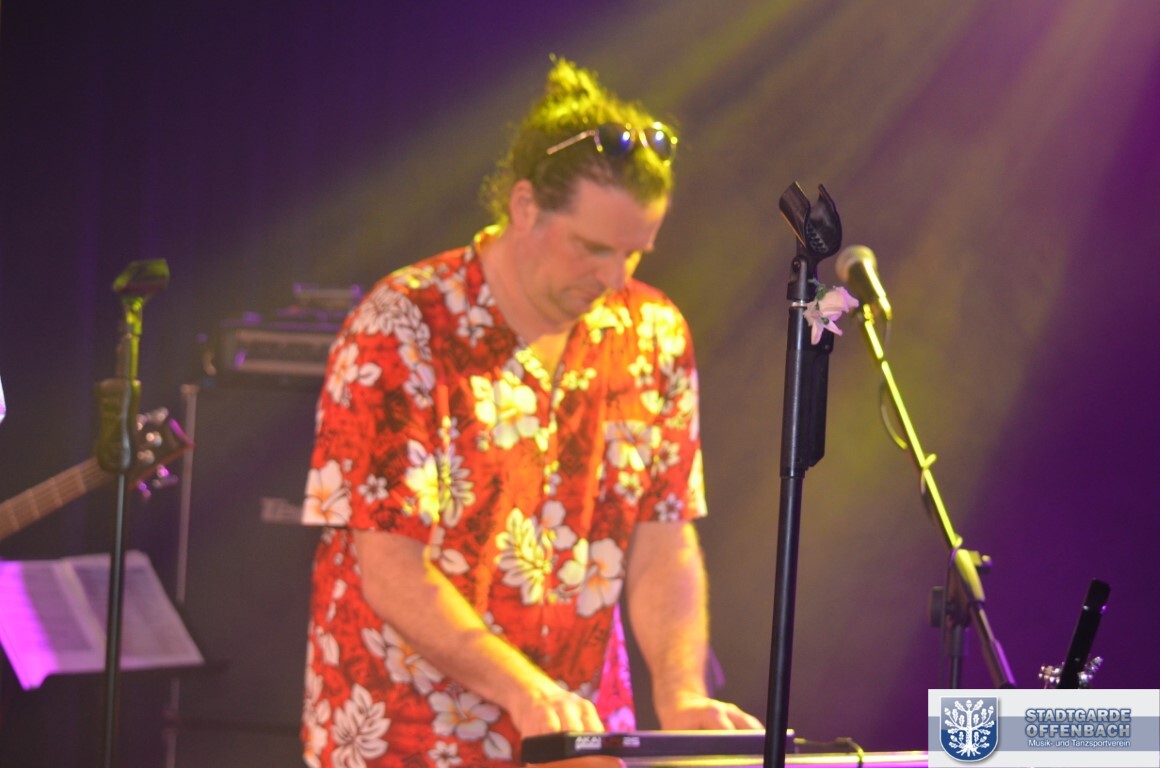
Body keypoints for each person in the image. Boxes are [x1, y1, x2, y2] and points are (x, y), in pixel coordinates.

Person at [299, 57, 762, 768]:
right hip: (408, 732)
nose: (614, 277)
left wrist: (679, 692)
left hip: (578, 737)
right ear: (524, 207)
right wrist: (521, 688)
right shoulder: (404, 324)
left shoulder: (653, 333)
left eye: (635, 253)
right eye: (592, 247)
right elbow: (389, 568)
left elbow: (664, 539)